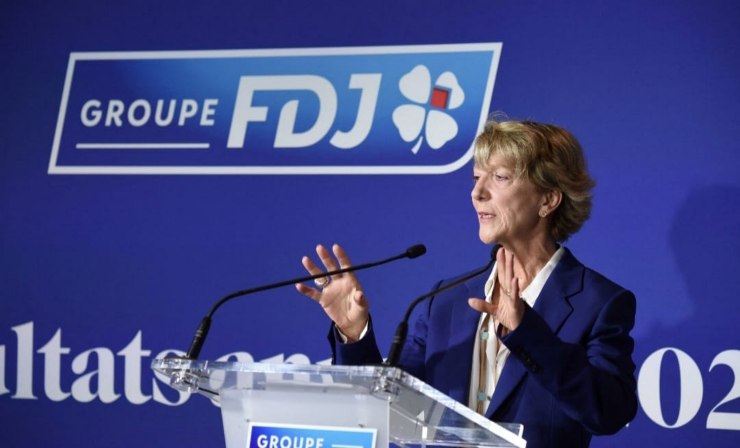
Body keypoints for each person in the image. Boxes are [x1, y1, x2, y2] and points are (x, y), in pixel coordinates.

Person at [295, 119, 637, 448]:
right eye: (476, 177)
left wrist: (528, 331)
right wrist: (355, 335)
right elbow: (388, 409)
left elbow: (609, 413)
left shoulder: (598, 303)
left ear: (548, 200)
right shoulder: (444, 302)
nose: (477, 192)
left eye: (499, 177)